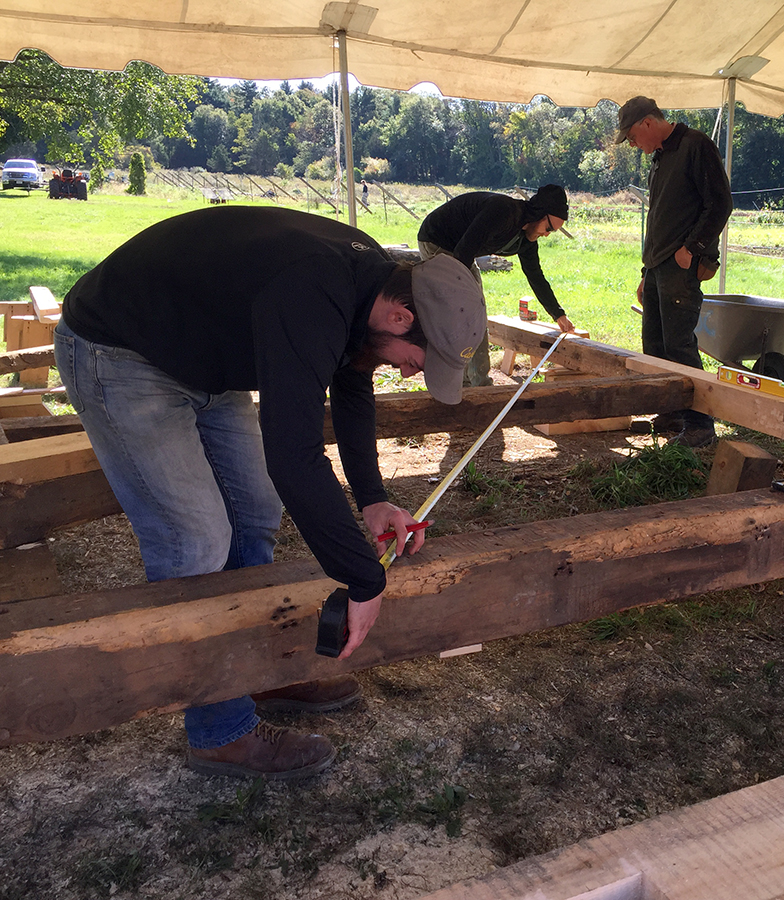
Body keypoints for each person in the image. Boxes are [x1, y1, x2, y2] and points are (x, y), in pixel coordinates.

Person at [54, 206, 487, 781]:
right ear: (403, 316)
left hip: (207, 356)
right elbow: (295, 456)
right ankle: (218, 731)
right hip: (123, 351)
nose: (411, 375)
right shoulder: (313, 291)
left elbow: (353, 381)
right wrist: (364, 578)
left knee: (256, 510)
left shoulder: (370, 286)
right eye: (419, 361)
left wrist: (373, 498)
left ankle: (255, 669)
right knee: (195, 539)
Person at [616, 96, 733, 447]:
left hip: (680, 264)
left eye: (633, 137)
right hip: (657, 264)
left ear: (648, 123)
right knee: (654, 343)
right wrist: (646, 270)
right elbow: (660, 218)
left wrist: (693, 249)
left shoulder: (695, 146)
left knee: (679, 344)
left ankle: (699, 425)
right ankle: (668, 412)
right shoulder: (662, 156)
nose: (634, 145)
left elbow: (721, 204)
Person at [417, 185, 574, 386]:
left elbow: (535, 276)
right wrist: (463, 297)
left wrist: (557, 313)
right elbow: (463, 251)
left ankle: (467, 382)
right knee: (468, 313)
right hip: (437, 239)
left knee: (473, 313)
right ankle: (474, 384)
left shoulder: (526, 240)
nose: (547, 234)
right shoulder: (503, 212)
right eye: (549, 228)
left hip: (462, 251)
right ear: (539, 214)